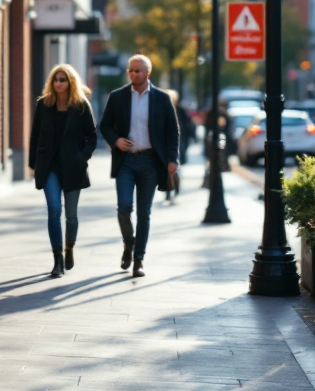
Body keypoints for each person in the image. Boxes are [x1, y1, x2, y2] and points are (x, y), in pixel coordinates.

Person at [99, 54, 180, 278]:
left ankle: (139, 259)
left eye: (138, 70)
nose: (134, 73)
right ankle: (129, 243)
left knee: (144, 214)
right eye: (131, 70)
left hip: (151, 162)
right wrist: (116, 140)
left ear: (147, 73)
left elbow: (172, 131)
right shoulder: (117, 97)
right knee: (124, 209)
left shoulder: (162, 99)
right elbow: (105, 125)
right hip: (126, 161)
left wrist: (173, 159)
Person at [27, 64, 98, 278]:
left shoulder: (81, 105)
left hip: (73, 166)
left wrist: (81, 156)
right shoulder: (43, 105)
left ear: (71, 82)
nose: (59, 83)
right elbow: (35, 136)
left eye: (63, 80)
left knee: (71, 215)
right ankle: (57, 259)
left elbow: (92, 137)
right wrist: (33, 164)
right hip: (49, 167)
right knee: (54, 210)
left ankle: (69, 247)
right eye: (56, 79)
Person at [163, 89, 193, 202]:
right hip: (164, 143)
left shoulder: (180, 110)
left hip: (178, 143)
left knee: (175, 167)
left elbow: (188, 126)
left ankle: (176, 187)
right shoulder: (161, 110)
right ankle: (167, 191)